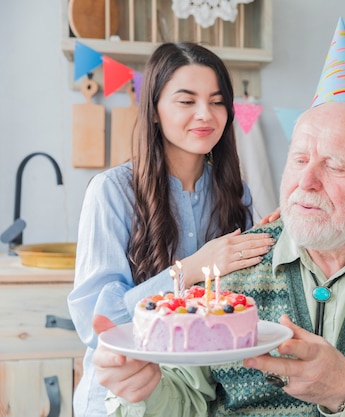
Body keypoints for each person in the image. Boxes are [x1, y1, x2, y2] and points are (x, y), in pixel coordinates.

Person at [93, 98, 345, 417]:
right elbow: (185, 401)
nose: (306, 182)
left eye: (334, 165)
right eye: (299, 160)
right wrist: (145, 392)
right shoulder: (233, 267)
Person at [67, 42, 275, 417]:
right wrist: (190, 269)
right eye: (186, 100)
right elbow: (98, 324)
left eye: (216, 101)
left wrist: (276, 238)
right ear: (155, 111)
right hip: (122, 400)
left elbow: (246, 295)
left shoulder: (235, 192)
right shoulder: (112, 191)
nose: (205, 114)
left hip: (201, 401)